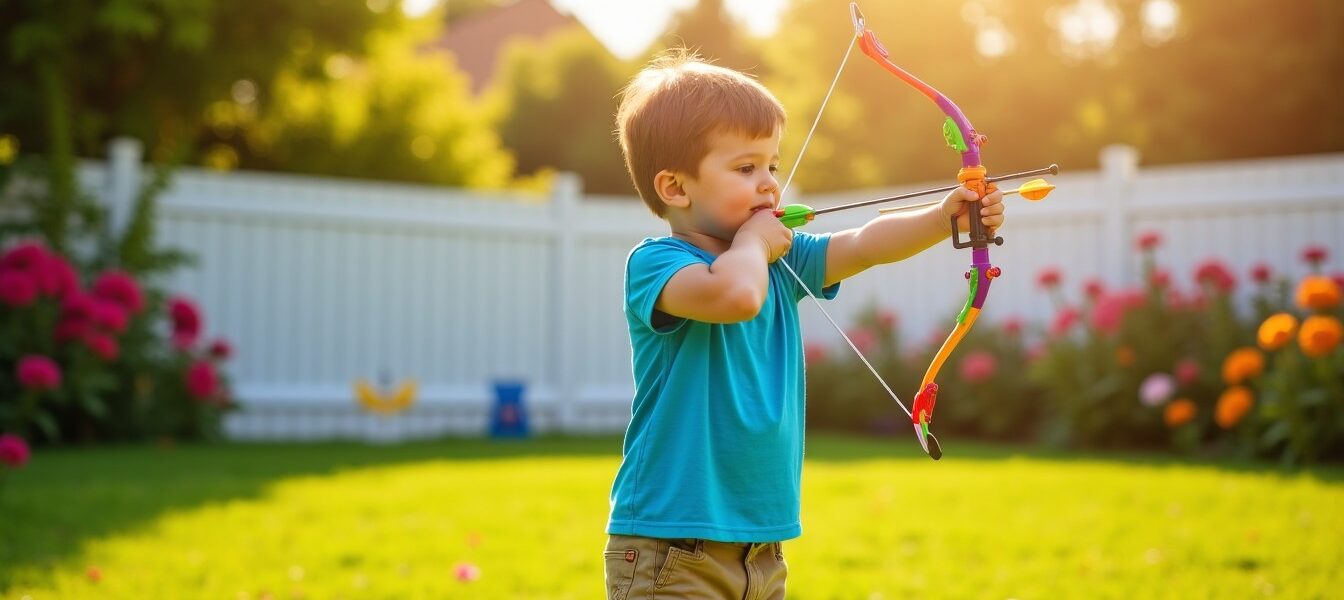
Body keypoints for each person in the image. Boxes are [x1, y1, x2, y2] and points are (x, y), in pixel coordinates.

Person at [603, 49, 1004, 599]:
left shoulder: (777, 259)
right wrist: (753, 243)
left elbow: (864, 245)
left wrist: (944, 217)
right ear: (676, 188)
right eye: (746, 168)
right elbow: (737, 296)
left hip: (761, 551)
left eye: (772, 164)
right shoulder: (659, 265)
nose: (769, 184)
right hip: (671, 549)